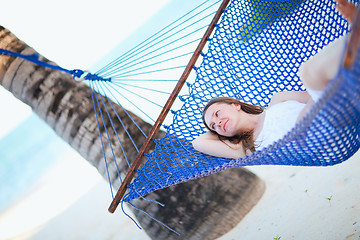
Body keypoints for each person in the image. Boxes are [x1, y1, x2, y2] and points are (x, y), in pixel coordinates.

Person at [192, 0, 358, 159]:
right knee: (309, 73)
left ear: (235, 105)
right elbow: (198, 142)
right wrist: (219, 128)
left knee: (312, 76)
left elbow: (314, 95)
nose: (217, 122)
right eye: (213, 126)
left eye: (217, 113)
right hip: (327, 131)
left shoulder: (278, 100)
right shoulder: (244, 148)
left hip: (336, 107)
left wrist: (306, 114)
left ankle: (354, 41)